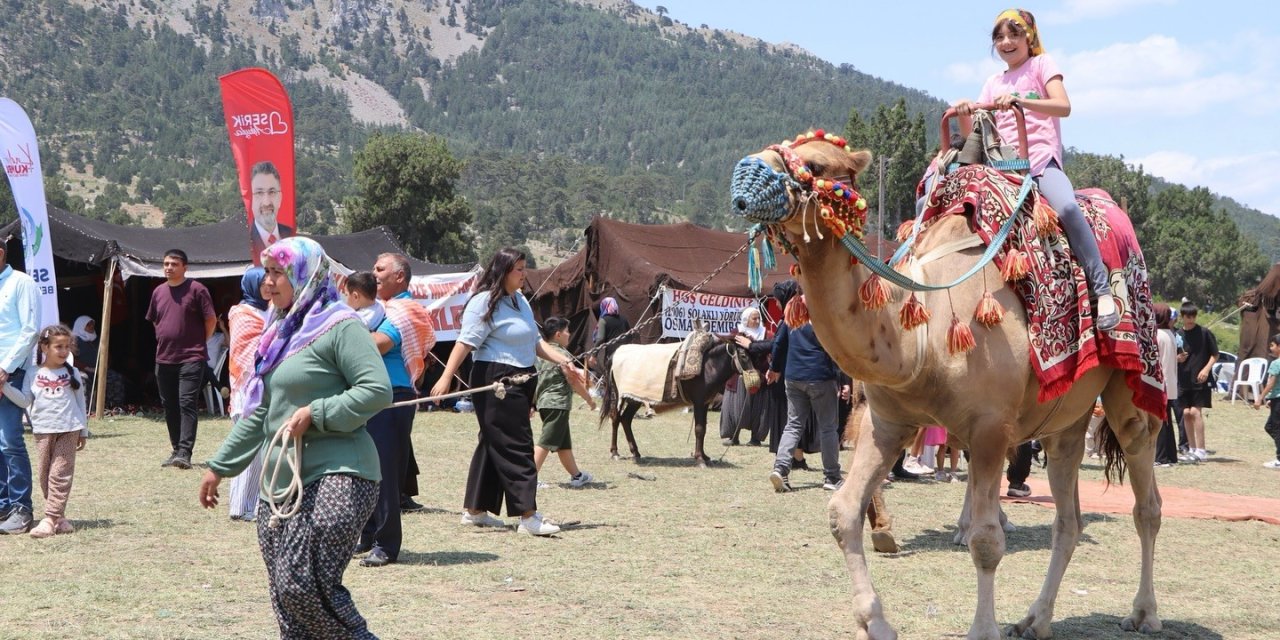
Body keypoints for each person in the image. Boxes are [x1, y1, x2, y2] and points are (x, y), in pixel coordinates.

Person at [198, 237, 391, 638]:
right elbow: (264, 412)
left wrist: (316, 412)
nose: (267, 283)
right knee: (285, 598)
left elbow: (376, 390)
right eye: (266, 273)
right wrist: (219, 467)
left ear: (304, 275)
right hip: (280, 481)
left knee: (299, 586)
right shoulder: (280, 333)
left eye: (277, 272)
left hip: (339, 471)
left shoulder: (340, 326)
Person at [952, 8, 1118, 332]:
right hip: (1001, 167)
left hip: (1039, 161)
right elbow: (975, 131)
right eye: (999, 37)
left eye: (1013, 34)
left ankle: (1102, 288)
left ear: (1029, 37)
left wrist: (1021, 101)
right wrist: (964, 110)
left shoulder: (1042, 65)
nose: (1006, 42)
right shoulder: (992, 82)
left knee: (1068, 206)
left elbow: (1063, 106)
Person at [430, 247, 578, 536]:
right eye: (519, 269)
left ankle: (475, 511)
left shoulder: (519, 300)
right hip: (497, 380)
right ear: (503, 271)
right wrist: (446, 377)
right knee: (518, 444)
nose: (524, 274)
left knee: (492, 441)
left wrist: (565, 360)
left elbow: (536, 343)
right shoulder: (483, 302)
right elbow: (466, 342)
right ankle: (528, 515)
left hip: (523, 377)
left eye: (524, 268)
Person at [358, 253, 435, 567]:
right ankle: (367, 534)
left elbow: (379, 343)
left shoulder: (405, 310)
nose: (373, 273)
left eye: (380, 269)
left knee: (385, 473)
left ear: (399, 277)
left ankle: (387, 545)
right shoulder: (378, 309)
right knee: (364, 470)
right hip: (368, 395)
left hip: (392, 396)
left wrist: (342, 333)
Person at [9, 325, 89, 538]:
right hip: (43, 431)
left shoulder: (72, 373)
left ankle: (49, 519)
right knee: (45, 474)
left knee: (59, 473)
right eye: (58, 346)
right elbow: (25, 400)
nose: (64, 351)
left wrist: (84, 431)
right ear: (44, 347)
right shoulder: (33, 373)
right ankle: (60, 518)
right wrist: (5, 387)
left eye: (67, 346)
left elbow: (81, 402)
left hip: (69, 428)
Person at [146, 249, 216, 470]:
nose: (169, 267)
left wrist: (198, 343)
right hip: (164, 358)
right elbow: (155, 320)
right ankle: (176, 449)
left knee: (187, 404)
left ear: (185, 267)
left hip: (191, 357)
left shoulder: (197, 289)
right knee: (170, 406)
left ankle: (185, 452)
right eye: (166, 263)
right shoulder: (158, 292)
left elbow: (211, 319)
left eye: (174, 264)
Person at [767, 295, 844, 492]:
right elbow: (837, 349)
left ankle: (781, 469)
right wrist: (842, 379)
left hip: (793, 377)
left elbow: (778, 343)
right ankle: (832, 477)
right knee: (827, 428)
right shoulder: (824, 314)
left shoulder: (791, 313)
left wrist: (774, 368)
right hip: (821, 377)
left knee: (793, 425)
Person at [0, 244, 41, 535]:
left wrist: (5, 368)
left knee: (9, 441)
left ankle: (21, 508)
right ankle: (3, 505)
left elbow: (30, 330)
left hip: (10, 373)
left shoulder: (21, 283)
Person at [225, 267, 271, 521]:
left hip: (265, 390)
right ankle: (240, 507)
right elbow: (247, 352)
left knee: (260, 452)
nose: (268, 285)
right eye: (263, 282)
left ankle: (250, 504)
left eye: (270, 281)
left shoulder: (269, 311)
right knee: (246, 450)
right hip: (247, 390)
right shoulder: (243, 313)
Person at [533, 316, 596, 488]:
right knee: (546, 442)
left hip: (544, 403)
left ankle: (577, 476)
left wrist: (532, 404)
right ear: (558, 334)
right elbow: (574, 381)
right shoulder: (562, 355)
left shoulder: (540, 353)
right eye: (568, 331)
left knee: (563, 444)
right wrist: (589, 399)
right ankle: (529, 478)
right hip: (557, 403)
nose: (570, 335)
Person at [720, 306, 768, 447]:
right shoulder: (737, 333)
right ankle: (733, 436)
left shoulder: (766, 334)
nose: (757, 321)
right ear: (746, 319)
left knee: (759, 407)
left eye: (759, 318)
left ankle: (756, 438)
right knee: (735, 406)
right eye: (754, 318)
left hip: (758, 375)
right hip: (738, 377)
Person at [1177, 301, 1217, 462]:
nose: (1191, 319)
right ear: (1182, 317)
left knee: (1195, 412)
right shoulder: (1177, 335)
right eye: (1188, 316)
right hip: (1183, 379)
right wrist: (1178, 359)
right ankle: (1191, 449)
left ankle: (1201, 450)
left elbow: (1215, 354)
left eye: (1193, 316)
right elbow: (1173, 357)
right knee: (1186, 413)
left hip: (1200, 379)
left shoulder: (1205, 333)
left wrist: (1206, 370)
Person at [247, 161, 295, 261]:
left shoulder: (293, 237)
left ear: (280, 198)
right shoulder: (244, 241)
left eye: (272, 192)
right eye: (259, 193)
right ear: (250, 199)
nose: (266, 202)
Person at [1153, 304, 1180, 467]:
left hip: (1160, 384)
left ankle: (1161, 457)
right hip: (1170, 384)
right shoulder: (1170, 334)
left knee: (1160, 422)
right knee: (1167, 422)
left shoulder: (1157, 335)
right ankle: (1171, 455)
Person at [1252, 334, 1280, 469]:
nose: (1271, 348)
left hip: (1278, 399)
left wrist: (1260, 398)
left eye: (1273, 345)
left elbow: (1270, 383)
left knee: (1273, 427)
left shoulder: (1276, 363)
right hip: (1276, 399)